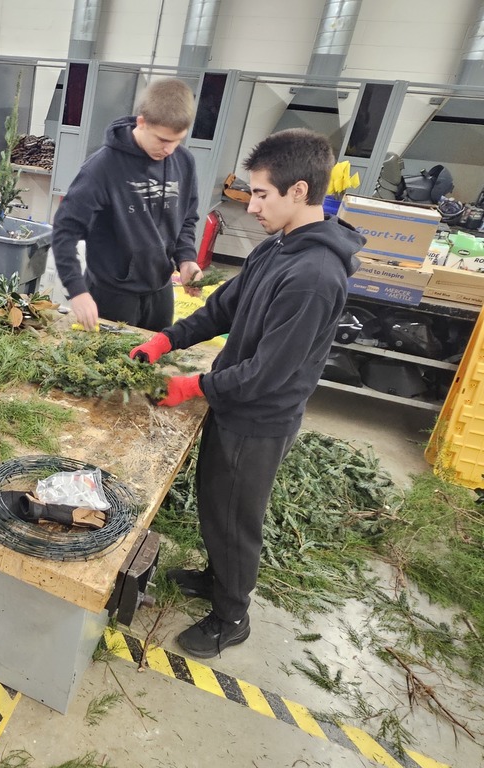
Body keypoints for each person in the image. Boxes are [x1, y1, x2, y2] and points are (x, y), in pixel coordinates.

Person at [129, 128, 364, 659]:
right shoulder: (280, 247)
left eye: (261, 194)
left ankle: (231, 615)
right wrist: (167, 339)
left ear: (299, 191)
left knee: (237, 515)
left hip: (259, 417)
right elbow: (223, 307)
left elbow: (267, 375)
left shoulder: (314, 273)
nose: (251, 205)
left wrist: (192, 385)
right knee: (217, 501)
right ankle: (218, 578)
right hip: (233, 402)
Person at [52, 78, 203, 332]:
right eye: (163, 139)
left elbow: (187, 217)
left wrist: (187, 259)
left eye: (178, 140)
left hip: (160, 291)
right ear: (141, 122)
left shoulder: (184, 162)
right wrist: (77, 291)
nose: (169, 149)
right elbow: (64, 232)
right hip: (112, 293)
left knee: (153, 363)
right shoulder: (102, 167)